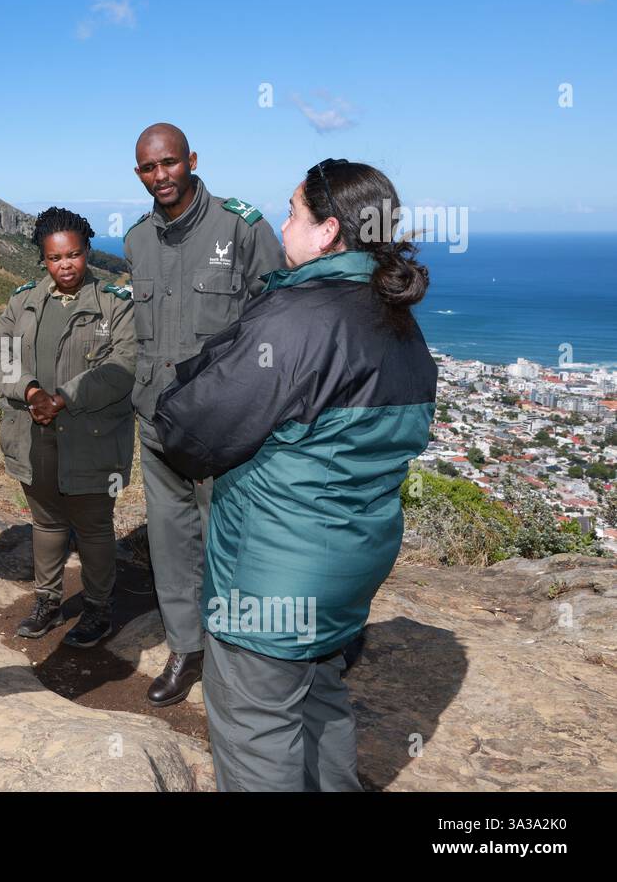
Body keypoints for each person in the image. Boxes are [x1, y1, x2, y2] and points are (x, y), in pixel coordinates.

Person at [152, 159, 438, 791]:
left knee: (255, 728)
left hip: (273, 573)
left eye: (292, 211)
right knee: (321, 700)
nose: (282, 223)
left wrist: (177, 391)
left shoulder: (298, 316)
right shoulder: (400, 324)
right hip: (350, 564)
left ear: (329, 231)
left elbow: (192, 433)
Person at [124, 123, 283, 707]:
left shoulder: (241, 228)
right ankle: (184, 647)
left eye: (168, 163)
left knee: (229, 538)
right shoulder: (138, 239)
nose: (160, 176)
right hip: (155, 416)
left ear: (191, 160)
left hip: (220, 422)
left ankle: (233, 653)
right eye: (147, 168)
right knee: (169, 539)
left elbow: (278, 320)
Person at [0, 207, 135, 647]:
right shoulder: (24, 301)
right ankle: (48, 602)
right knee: (48, 521)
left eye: (74, 255)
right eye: (55, 258)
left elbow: (124, 365)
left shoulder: (115, 303)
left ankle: (97, 609)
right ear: (43, 259)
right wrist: (32, 392)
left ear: (87, 251)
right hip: (34, 435)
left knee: (93, 526)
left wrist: (65, 397)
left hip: (93, 439)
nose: (65, 265)